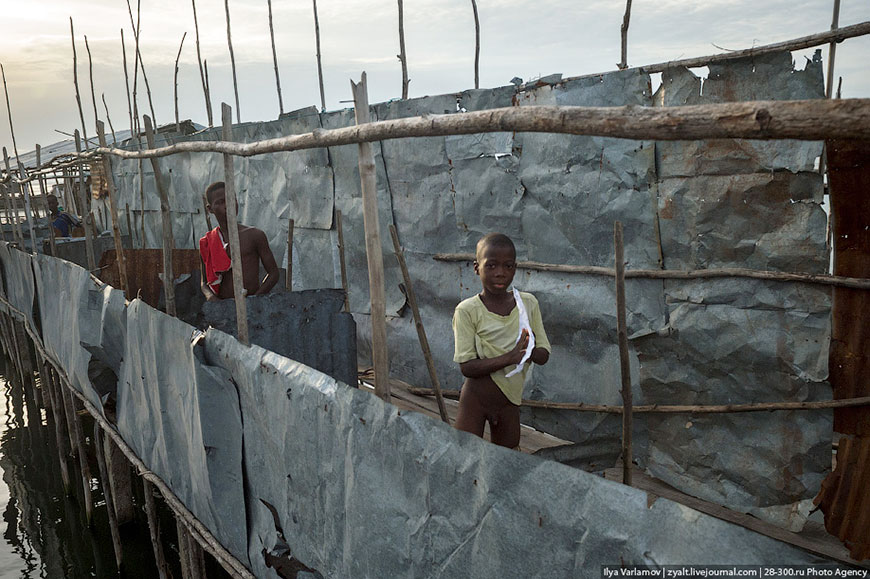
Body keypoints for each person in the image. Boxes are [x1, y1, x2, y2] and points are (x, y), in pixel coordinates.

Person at [452, 232, 551, 449]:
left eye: (508, 266)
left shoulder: (528, 304)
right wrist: (510, 357)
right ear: (476, 267)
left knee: (506, 462)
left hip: (509, 402)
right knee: (464, 457)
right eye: (491, 266)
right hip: (475, 399)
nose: (500, 273)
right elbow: (467, 366)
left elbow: (543, 354)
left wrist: (530, 349)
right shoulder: (468, 310)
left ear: (515, 268)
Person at [199, 181, 279, 302]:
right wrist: (211, 297)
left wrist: (255, 299)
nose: (227, 205)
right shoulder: (207, 242)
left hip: (252, 305)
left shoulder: (255, 235)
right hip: (223, 307)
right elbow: (204, 283)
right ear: (210, 209)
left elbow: (274, 274)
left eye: (231, 199)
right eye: (220, 202)